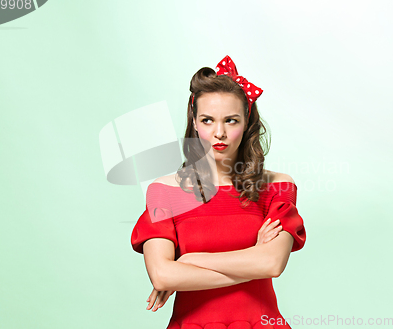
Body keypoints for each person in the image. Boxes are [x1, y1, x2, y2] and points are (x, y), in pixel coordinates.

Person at [131, 55, 306, 329]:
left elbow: (272, 263)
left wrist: (189, 261)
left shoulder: (277, 187)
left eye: (231, 121)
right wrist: (251, 261)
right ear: (195, 122)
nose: (219, 132)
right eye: (208, 120)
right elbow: (163, 276)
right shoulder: (164, 191)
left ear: (247, 122)